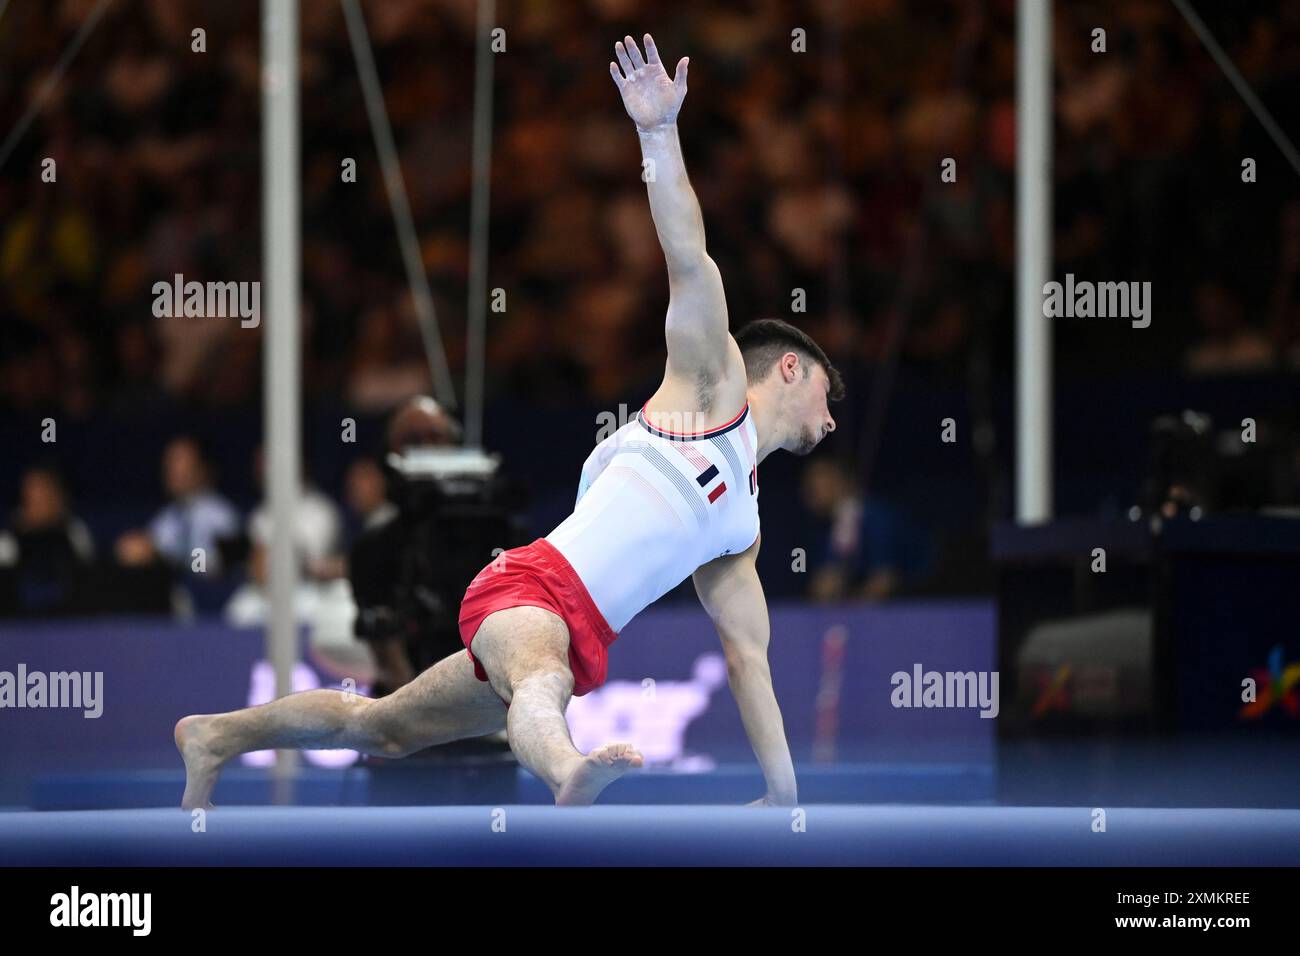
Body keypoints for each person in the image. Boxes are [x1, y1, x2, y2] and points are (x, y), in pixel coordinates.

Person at [176, 34, 842, 809]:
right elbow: (688, 256)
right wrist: (658, 133)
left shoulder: (742, 523)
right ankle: (567, 773)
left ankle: (214, 735)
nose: (832, 421)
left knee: (384, 726)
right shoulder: (711, 387)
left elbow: (746, 659)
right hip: (528, 589)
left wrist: (785, 799)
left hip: (548, 621)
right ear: (789, 368)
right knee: (547, 677)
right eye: (831, 395)